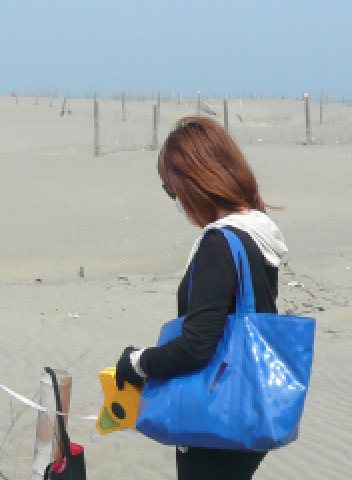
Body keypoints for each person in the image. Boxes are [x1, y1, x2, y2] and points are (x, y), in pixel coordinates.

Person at [114, 116, 288, 480]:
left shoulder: (220, 243)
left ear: (195, 182)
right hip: (251, 411)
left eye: (172, 189)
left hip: (218, 421)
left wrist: (138, 362)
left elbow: (196, 346)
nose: (176, 201)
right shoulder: (258, 234)